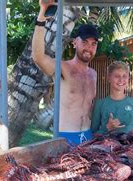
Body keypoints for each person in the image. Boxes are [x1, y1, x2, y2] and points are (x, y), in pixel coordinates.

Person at [32, 0, 98, 145]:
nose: (89, 47)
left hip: (87, 136)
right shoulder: (63, 68)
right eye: (85, 42)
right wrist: (42, 13)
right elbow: (38, 57)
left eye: (93, 44)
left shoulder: (93, 74)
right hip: (65, 137)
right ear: (75, 42)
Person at [91, 61, 133, 136]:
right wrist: (107, 128)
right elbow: (92, 134)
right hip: (108, 147)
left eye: (124, 76)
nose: (121, 79)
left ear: (128, 78)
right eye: (117, 76)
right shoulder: (99, 104)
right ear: (109, 78)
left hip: (131, 147)